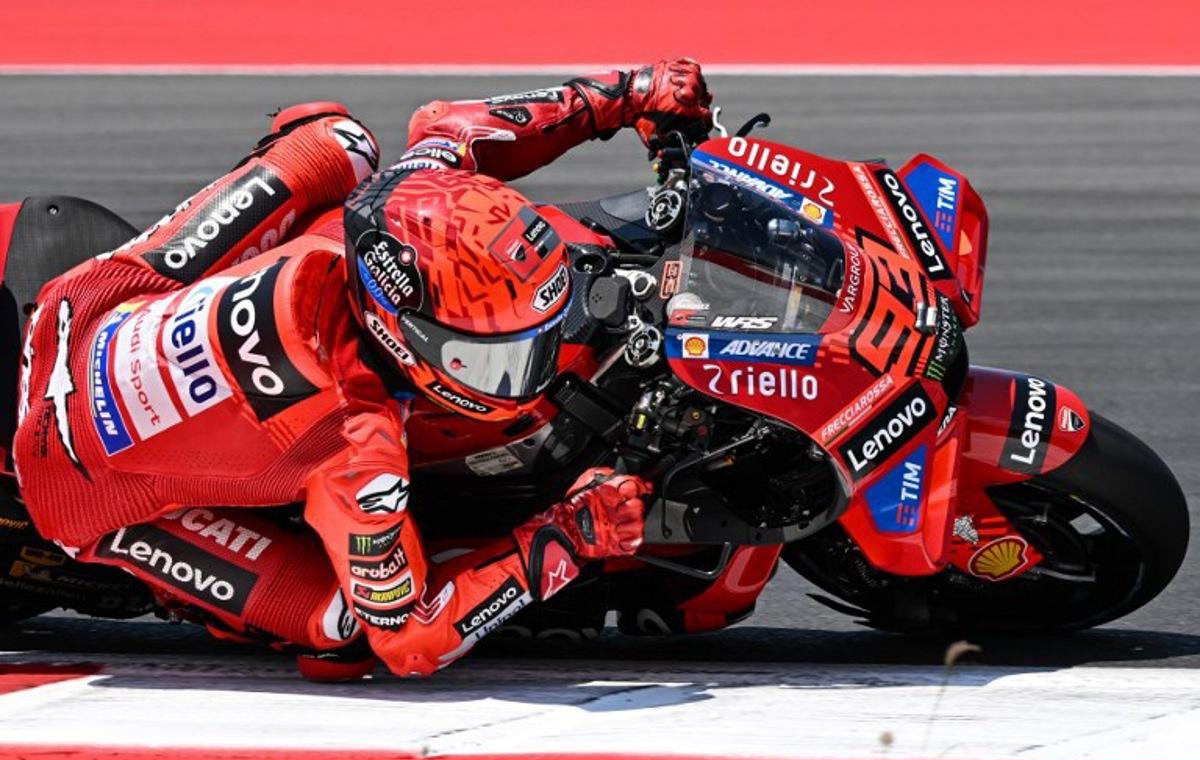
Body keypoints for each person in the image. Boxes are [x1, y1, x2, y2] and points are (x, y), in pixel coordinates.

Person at [10, 60, 713, 679]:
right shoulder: (361, 448)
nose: (524, 375)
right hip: (77, 477)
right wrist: (565, 537)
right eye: (491, 359)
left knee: (336, 142)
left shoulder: (407, 190)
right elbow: (413, 640)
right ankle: (180, 592)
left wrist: (622, 96)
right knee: (343, 634)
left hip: (87, 306)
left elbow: (450, 125)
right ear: (399, 331)